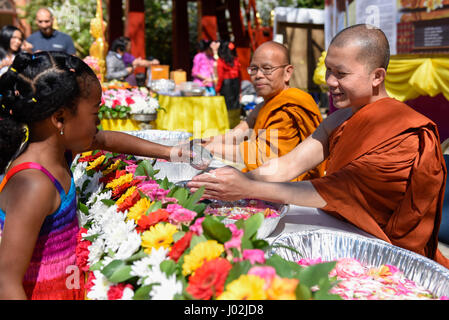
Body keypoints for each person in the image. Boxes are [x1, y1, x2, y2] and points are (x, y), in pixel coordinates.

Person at [188, 24, 449, 269]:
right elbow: (288, 165)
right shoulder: (339, 118)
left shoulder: (405, 132)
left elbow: (339, 191)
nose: (330, 82)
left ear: (377, 76)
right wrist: (232, 181)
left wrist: (249, 186)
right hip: (338, 226)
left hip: (383, 250)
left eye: (341, 74)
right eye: (329, 70)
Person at [0, 51, 191, 300]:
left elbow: (106, 139)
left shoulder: (58, 149)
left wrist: (172, 152)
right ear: (59, 118)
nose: (98, 123)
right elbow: (6, 282)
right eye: (95, 114)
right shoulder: (35, 184)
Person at [194, 40, 326, 181]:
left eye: (267, 69)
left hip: (290, 187)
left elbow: (263, 155)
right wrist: (200, 142)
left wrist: (210, 148)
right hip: (264, 179)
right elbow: (235, 136)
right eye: (254, 69)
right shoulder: (264, 104)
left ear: (287, 73)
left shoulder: (289, 106)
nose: (258, 75)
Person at [216, 41, 242, 127]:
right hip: (235, 83)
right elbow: (240, 75)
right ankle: (235, 124)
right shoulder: (236, 60)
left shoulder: (221, 61)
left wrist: (217, 89)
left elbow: (220, 77)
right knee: (235, 105)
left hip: (226, 85)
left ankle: (227, 125)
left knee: (227, 106)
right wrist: (240, 90)